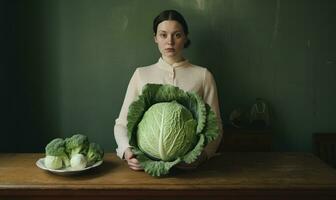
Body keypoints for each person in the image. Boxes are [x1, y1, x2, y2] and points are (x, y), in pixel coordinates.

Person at [114, 10, 223, 171]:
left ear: (185, 37)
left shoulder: (203, 75)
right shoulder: (141, 74)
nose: (169, 41)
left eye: (177, 35)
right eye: (163, 35)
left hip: (191, 172)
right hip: (145, 170)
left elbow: (216, 126)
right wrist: (127, 152)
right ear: (155, 38)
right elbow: (121, 124)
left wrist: (202, 156)